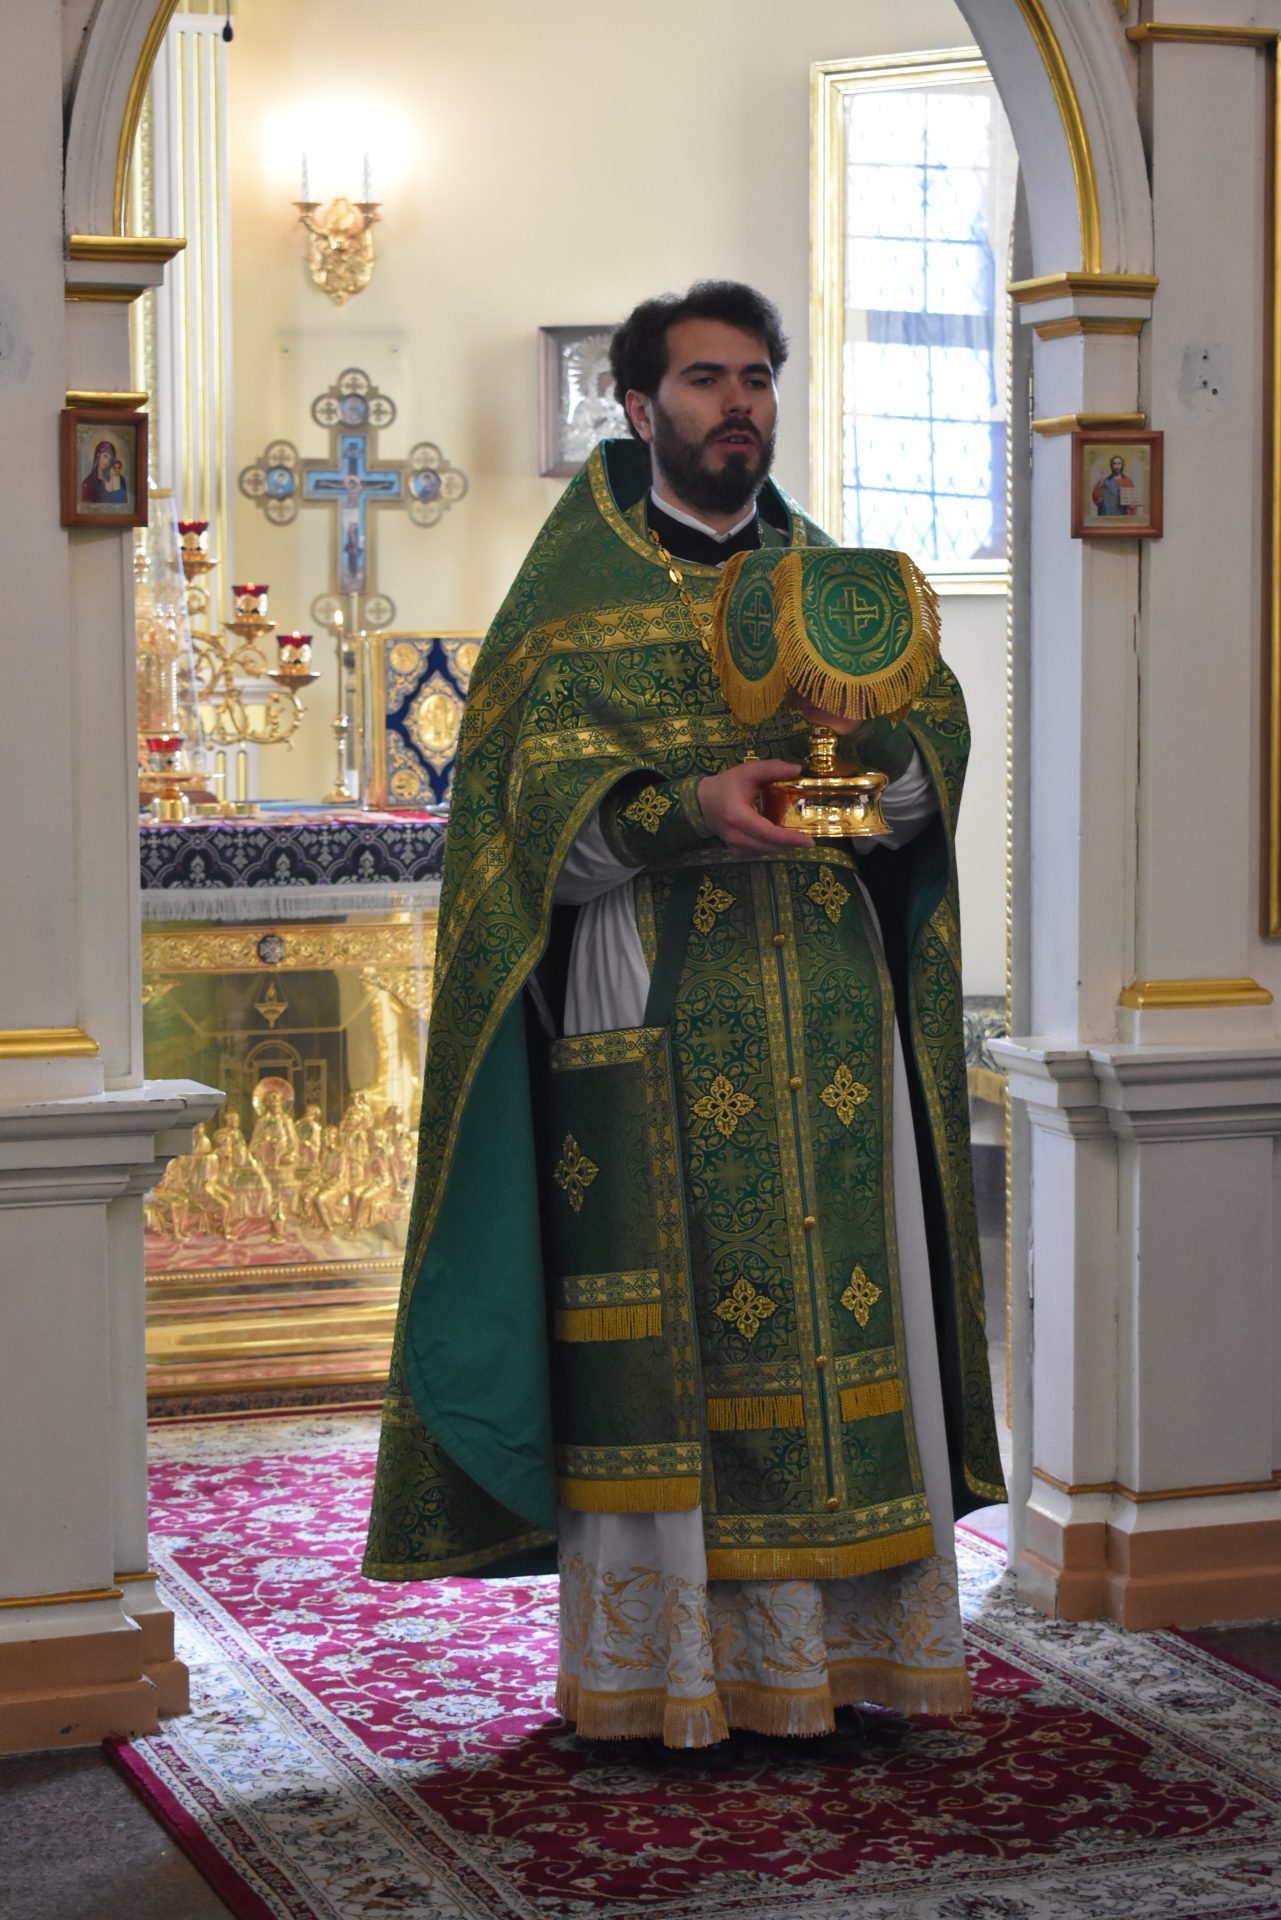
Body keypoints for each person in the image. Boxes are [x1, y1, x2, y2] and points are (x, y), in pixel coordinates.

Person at [364, 280, 1004, 1745]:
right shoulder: (570, 599)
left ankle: (851, 1658)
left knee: (850, 1305)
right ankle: (673, 1681)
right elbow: (520, 827)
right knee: (671, 1344)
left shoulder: (839, 586)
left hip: (827, 1006)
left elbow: (929, 786)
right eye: (708, 380)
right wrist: (684, 807)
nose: (739, 405)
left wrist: (876, 746)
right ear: (640, 406)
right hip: (648, 995)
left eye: (758, 378)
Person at [1092, 452, 1138, 516]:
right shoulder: (1105, 481)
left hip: (1122, 515)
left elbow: (1132, 503)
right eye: (1114, 463)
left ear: (1122, 465)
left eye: (1119, 463)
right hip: (1107, 514)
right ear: (1111, 465)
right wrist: (1101, 483)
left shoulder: (1128, 482)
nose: (1117, 466)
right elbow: (1096, 499)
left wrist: (1132, 505)